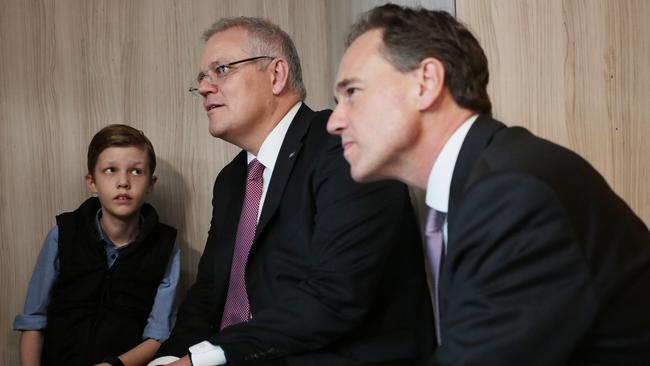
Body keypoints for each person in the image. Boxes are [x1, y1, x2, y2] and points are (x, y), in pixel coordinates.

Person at [327, 4, 650, 365]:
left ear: (426, 83)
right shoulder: (484, 180)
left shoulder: (513, 194)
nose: (334, 121)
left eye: (352, 93)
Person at [150, 16, 432, 366]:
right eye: (202, 78)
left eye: (221, 70)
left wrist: (203, 359)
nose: (206, 87)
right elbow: (209, 293)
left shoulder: (346, 149)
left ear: (276, 75)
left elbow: (334, 297)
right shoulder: (231, 180)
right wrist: (172, 357)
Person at [14, 124, 180, 366]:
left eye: (136, 172)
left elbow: (157, 336)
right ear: (92, 182)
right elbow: (33, 320)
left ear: (151, 183)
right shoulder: (63, 235)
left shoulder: (166, 249)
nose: (123, 182)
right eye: (110, 170)